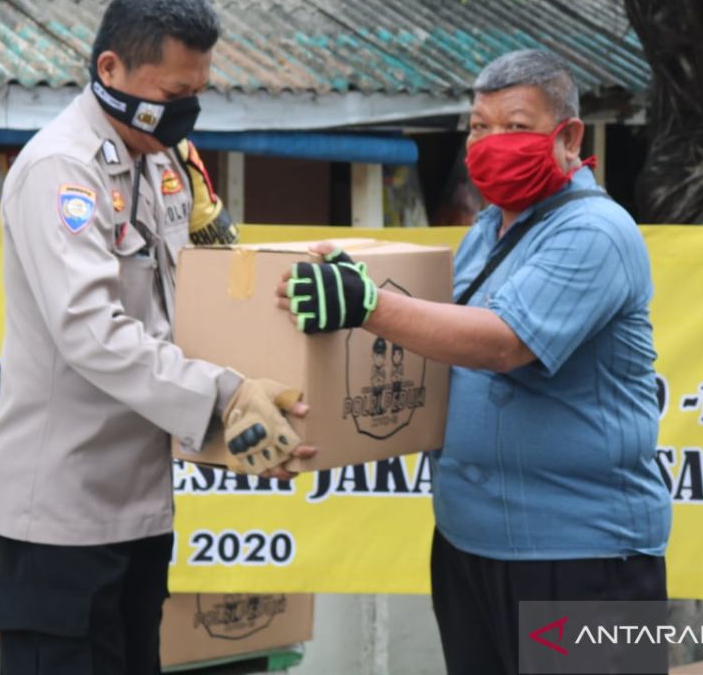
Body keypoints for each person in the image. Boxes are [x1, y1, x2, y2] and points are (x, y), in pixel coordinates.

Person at [276, 50, 672, 675]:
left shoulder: (596, 231)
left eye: (515, 127)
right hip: (469, 542)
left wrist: (368, 305)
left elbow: (500, 344)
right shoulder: (489, 229)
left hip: (582, 557)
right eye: (479, 127)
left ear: (567, 136)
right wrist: (311, 430)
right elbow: (433, 358)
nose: (490, 143)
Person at [0, 0, 313, 675]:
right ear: (111, 70)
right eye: (173, 95)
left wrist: (244, 423)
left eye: (197, 93)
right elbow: (93, 332)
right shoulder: (64, 171)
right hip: (61, 518)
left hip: (140, 505)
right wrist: (224, 393)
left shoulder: (159, 164)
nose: (187, 112)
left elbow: (188, 310)